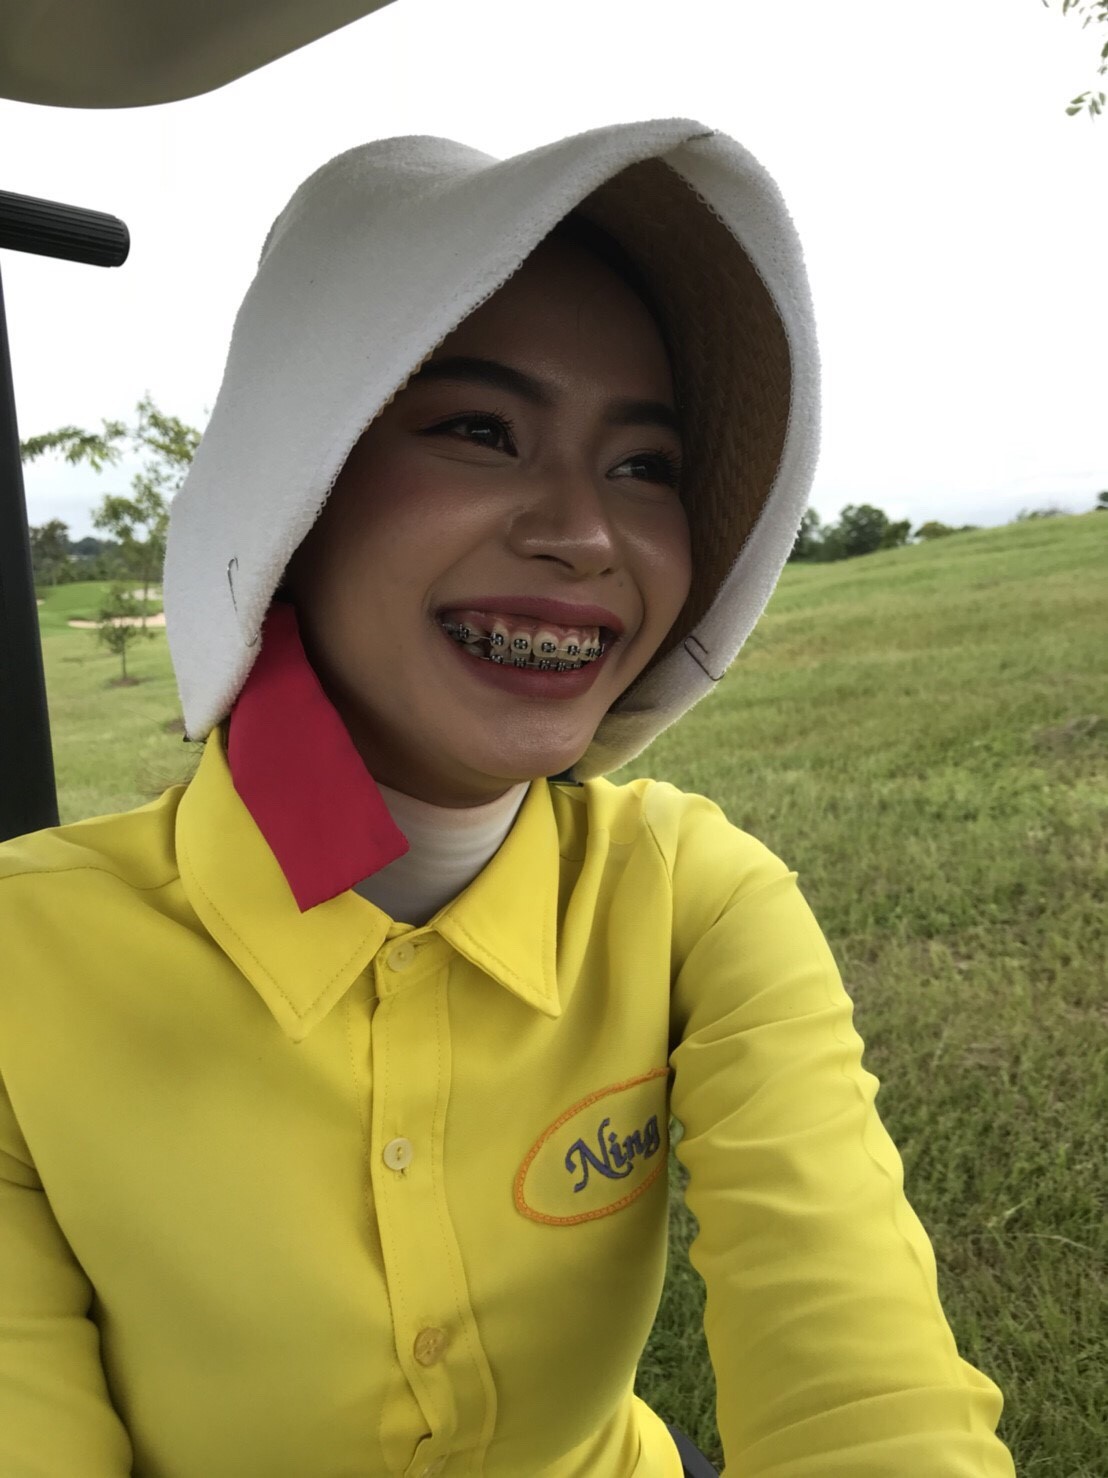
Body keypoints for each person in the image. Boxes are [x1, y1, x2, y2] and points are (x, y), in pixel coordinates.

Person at [0, 120, 1017, 1477]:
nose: (586, 533)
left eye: (645, 466)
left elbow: (869, 1396)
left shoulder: (692, 901)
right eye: (481, 431)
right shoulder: (24, 959)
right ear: (296, 487)